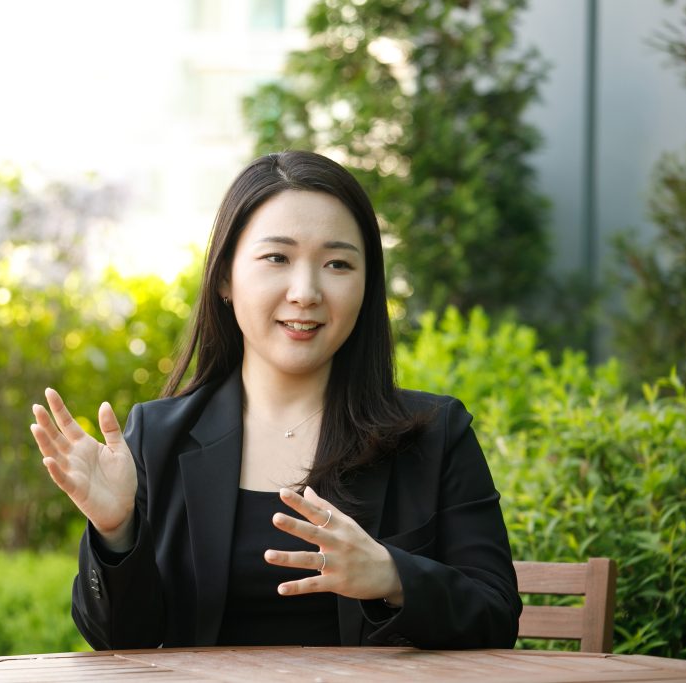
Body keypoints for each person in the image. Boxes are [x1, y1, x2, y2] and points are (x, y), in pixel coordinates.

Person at [30, 151, 521, 650]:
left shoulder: (435, 434)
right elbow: (118, 642)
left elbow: (496, 616)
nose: (305, 291)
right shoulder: (158, 438)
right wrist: (116, 532)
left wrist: (391, 576)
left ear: (367, 283)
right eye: (276, 258)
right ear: (225, 276)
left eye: (337, 263)